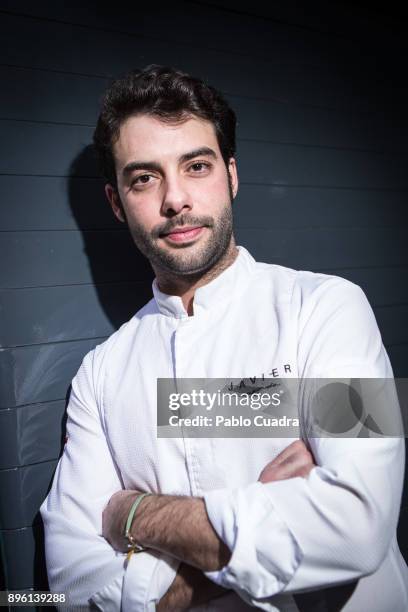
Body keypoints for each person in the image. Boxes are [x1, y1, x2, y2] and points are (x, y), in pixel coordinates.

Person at [40, 65, 408, 611]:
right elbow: (68, 592)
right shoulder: (100, 375)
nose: (176, 199)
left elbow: (358, 525)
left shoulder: (329, 307)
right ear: (117, 203)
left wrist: (134, 515)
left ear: (230, 176)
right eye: (144, 178)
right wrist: (268, 518)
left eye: (196, 166)